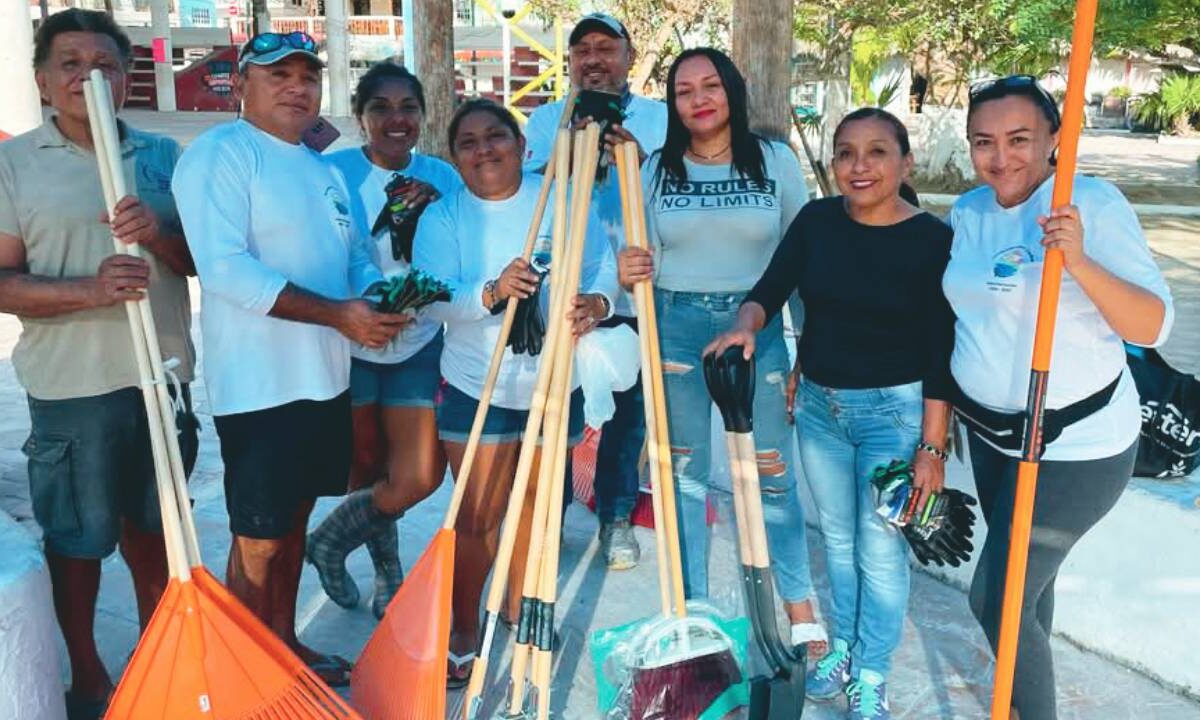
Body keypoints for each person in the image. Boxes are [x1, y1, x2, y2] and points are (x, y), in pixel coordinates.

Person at [707, 107, 957, 720]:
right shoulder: (818, 221)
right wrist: (745, 325)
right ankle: (843, 647)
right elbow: (771, 287)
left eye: (877, 152)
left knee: (880, 548)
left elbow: (941, 349)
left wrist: (931, 447)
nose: (859, 166)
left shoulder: (932, 240)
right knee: (839, 541)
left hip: (894, 417)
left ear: (906, 162)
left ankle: (871, 672)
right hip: (819, 407)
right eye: (845, 153)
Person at [172, 32, 404, 686]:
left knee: (295, 523)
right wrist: (337, 314)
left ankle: (282, 649)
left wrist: (374, 294)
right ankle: (239, 677)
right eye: (279, 75)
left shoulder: (321, 167)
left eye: (308, 75)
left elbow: (354, 252)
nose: (298, 87)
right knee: (259, 537)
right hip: (260, 387)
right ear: (241, 83)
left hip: (324, 379)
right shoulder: (223, 153)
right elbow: (222, 270)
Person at [949, 75, 1173, 720]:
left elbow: (1151, 327)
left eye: (1020, 138)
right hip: (992, 439)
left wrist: (1077, 260)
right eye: (984, 141)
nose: (1001, 157)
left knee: (996, 599)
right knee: (1027, 599)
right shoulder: (968, 210)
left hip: (1076, 446)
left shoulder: (1089, 204)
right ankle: (1025, 701)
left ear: (1054, 139)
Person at [0, 11, 199, 719]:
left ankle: (159, 660)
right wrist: (90, 289)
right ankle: (87, 676)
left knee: (158, 532)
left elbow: (204, 261)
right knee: (78, 542)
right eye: (71, 64)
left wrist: (162, 232)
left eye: (106, 64)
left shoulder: (161, 158)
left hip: (161, 382)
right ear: (44, 82)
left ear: (126, 75)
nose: (90, 77)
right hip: (71, 386)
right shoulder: (14, 163)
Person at [616, 46, 822, 654]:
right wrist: (631, 270)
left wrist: (807, 344)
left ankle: (801, 614)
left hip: (755, 326)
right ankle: (694, 613)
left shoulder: (776, 161)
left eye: (710, 86)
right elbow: (639, 263)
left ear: (731, 91)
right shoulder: (654, 168)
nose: (698, 99)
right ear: (674, 103)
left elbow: (801, 256)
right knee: (682, 478)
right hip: (676, 326)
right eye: (684, 91)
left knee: (770, 475)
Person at [412, 99, 617, 686]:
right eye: (468, 142)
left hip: (556, 381)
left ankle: (520, 608)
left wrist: (599, 304)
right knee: (476, 515)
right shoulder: (444, 216)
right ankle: (463, 628)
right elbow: (432, 295)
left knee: (536, 507)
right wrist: (492, 290)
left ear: (522, 146)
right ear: (454, 158)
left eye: (495, 136)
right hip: (479, 385)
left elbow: (601, 265)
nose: (484, 150)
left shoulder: (560, 195)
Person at [306, 62, 462, 620]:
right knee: (367, 468)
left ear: (422, 114)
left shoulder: (444, 177)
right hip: (347, 343)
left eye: (408, 108)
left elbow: (458, 257)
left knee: (417, 475)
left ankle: (328, 541)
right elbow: (319, 252)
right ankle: (387, 569)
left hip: (417, 344)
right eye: (381, 108)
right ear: (360, 117)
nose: (396, 120)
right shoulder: (332, 171)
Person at [523, 12, 668, 571]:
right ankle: (548, 519)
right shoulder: (545, 120)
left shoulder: (658, 119)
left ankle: (614, 519)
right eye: (581, 49)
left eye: (605, 47)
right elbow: (534, 188)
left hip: (636, 289)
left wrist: (631, 156)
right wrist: (575, 142)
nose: (593, 58)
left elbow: (666, 187)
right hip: (567, 292)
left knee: (628, 421)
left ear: (630, 57)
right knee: (559, 415)